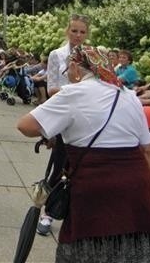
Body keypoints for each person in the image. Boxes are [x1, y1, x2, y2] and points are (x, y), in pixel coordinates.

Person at [17, 45, 150, 262]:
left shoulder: (73, 93)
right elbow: (147, 150)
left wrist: (59, 128)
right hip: (136, 188)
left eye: (67, 71)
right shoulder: (128, 95)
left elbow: (26, 126)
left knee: (87, 249)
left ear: (75, 67)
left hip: (95, 188)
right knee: (133, 250)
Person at [37, 13, 90, 236]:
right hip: (65, 116)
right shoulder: (57, 55)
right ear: (67, 31)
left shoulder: (92, 55)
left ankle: (77, 214)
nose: (77, 35)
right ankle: (48, 212)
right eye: (74, 30)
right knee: (59, 164)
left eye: (82, 31)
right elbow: (51, 89)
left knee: (83, 167)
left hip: (87, 118)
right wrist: (77, 88)